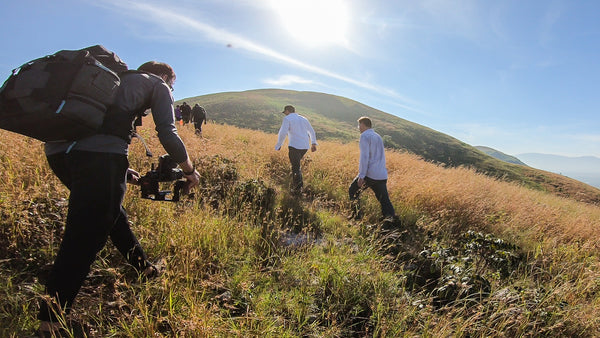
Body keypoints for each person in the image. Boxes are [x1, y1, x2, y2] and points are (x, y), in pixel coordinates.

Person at [37, 61, 200, 335]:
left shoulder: (112, 82)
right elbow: (167, 133)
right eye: (173, 83)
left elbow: (93, 130)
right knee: (86, 234)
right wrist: (190, 171)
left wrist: (120, 168)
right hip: (99, 156)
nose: (172, 88)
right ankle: (50, 321)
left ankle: (144, 268)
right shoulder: (157, 83)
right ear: (165, 76)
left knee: (110, 214)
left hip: (58, 155)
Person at [348, 116, 395, 221]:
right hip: (381, 174)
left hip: (370, 174)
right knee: (384, 201)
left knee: (353, 191)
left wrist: (361, 175)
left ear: (363, 125)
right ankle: (391, 222)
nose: (358, 127)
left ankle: (356, 217)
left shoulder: (365, 136)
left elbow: (365, 157)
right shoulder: (378, 136)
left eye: (359, 125)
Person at [274, 105, 317, 194]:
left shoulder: (288, 119)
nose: (284, 114)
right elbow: (311, 131)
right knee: (296, 166)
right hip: (304, 146)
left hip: (294, 146)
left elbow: (283, 132)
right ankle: (297, 185)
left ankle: (297, 190)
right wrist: (313, 143)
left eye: (285, 112)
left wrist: (279, 145)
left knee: (296, 167)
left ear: (287, 111)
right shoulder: (304, 119)